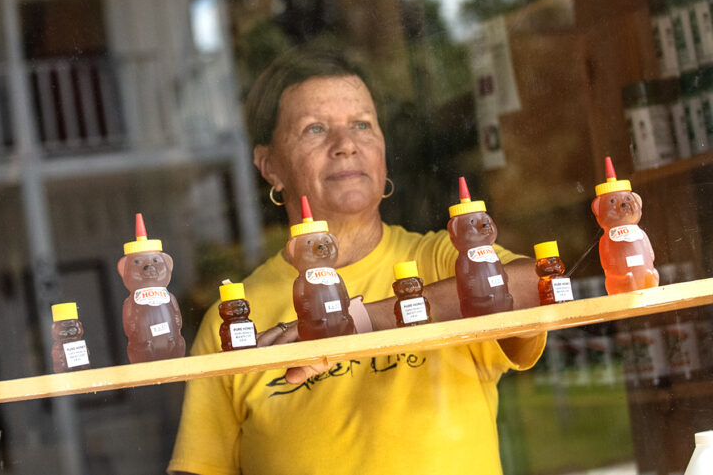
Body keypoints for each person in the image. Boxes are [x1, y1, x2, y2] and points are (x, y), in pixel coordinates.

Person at [168, 44, 546, 475]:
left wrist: (356, 321)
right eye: (315, 129)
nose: (345, 144)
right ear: (269, 165)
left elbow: (538, 286)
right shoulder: (234, 319)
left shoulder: (445, 258)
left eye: (362, 125)